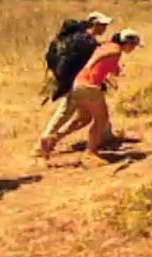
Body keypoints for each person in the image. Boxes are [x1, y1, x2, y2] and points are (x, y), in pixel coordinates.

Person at [47, 29, 142, 166]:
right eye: (133, 45)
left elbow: (107, 64)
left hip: (78, 84)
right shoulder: (114, 50)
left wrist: (114, 72)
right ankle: (90, 154)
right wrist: (90, 65)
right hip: (89, 87)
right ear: (127, 42)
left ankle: (53, 138)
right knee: (101, 119)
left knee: (84, 119)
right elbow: (98, 58)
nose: (133, 49)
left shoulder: (109, 46)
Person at [36, 11, 112, 156]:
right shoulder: (87, 42)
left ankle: (52, 138)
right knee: (65, 113)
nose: (105, 28)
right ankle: (44, 141)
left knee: (84, 117)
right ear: (94, 24)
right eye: (102, 25)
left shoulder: (80, 39)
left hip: (75, 83)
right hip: (77, 84)